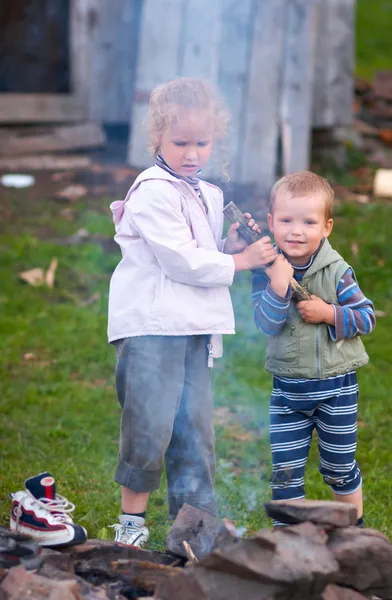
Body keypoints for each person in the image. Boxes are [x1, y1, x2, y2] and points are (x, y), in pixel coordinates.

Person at [107, 77, 277, 546]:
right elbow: (179, 260)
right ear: (157, 138)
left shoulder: (209, 193)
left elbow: (204, 251)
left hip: (195, 329)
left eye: (202, 143)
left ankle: (196, 532)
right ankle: (131, 526)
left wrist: (229, 245)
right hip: (153, 329)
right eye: (180, 142)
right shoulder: (152, 191)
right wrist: (238, 262)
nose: (192, 153)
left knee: (195, 430)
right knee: (149, 425)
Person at [252, 171, 375, 527]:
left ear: (327, 227)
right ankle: (290, 541)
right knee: (285, 472)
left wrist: (328, 313)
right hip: (287, 392)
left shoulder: (337, 272)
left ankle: (355, 533)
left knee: (338, 468)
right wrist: (276, 288)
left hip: (335, 389)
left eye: (308, 221)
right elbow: (265, 323)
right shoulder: (266, 270)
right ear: (271, 222)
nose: (296, 230)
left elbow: (367, 318)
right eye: (287, 220)